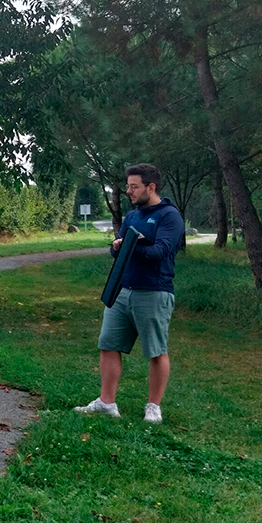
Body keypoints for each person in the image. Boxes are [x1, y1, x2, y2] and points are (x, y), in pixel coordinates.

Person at [75, 163, 183, 424]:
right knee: (108, 345)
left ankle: (153, 407)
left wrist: (130, 246)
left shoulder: (170, 216)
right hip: (122, 292)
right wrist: (117, 247)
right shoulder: (133, 216)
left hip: (154, 292)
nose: (129, 192)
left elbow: (161, 252)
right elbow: (118, 250)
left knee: (156, 351)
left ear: (151, 187)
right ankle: (106, 403)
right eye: (127, 187)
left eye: (134, 187)